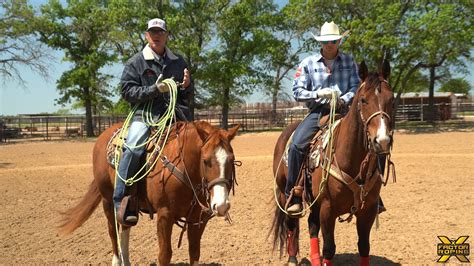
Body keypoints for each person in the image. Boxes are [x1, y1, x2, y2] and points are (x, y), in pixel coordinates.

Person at [113, 18, 193, 225]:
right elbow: (126, 91)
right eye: (152, 32)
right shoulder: (136, 62)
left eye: (160, 32)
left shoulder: (179, 62)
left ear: (166, 35)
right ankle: (121, 201)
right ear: (147, 35)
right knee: (132, 148)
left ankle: (197, 195)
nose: (156, 35)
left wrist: (185, 87)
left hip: (176, 116)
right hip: (145, 116)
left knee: (199, 146)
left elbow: (186, 96)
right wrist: (154, 90)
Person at [285, 21, 360, 214]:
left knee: (371, 141)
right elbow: (297, 91)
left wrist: (343, 99)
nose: (330, 44)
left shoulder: (349, 62)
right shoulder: (308, 63)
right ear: (320, 42)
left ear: (339, 41)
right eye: (326, 41)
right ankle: (294, 194)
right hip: (319, 112)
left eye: (334, 41)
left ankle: (372, 194)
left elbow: (356, 87)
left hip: (345, 112)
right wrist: (318, 94)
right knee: (297, 144)